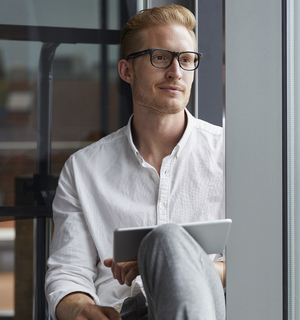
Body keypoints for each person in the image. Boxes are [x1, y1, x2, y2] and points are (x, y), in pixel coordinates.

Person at [45, 5, 225, 320]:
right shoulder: (83, 169)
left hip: (208, 310)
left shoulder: (230, 155)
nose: (176, 72)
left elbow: (257, 261)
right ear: (127, 71)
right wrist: (81, 311)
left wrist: (166, 264)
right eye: (160, 58)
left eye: (186, 60)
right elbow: (68, 272)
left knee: (167, 239)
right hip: (123, 313)